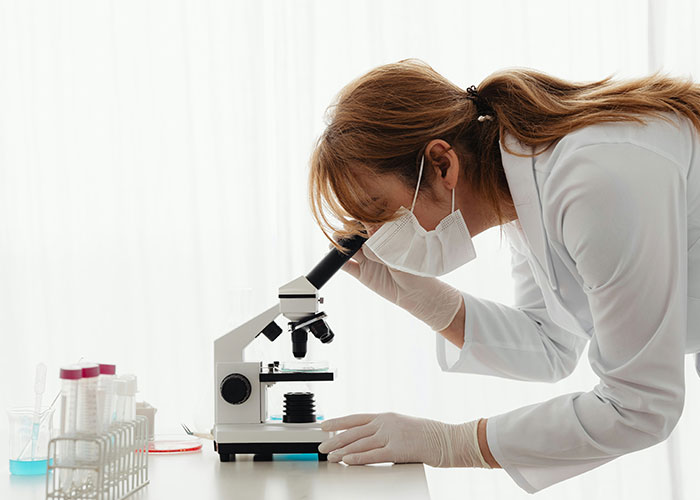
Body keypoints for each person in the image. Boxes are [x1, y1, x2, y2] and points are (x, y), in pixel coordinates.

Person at [309, 59, 700, 493]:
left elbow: (640, 408)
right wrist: (427, 301)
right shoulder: (520, 188)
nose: (376, 239)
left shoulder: (591, 182)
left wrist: (451, 443)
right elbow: (551, 346)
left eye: (379, 211)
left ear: (441, 164)